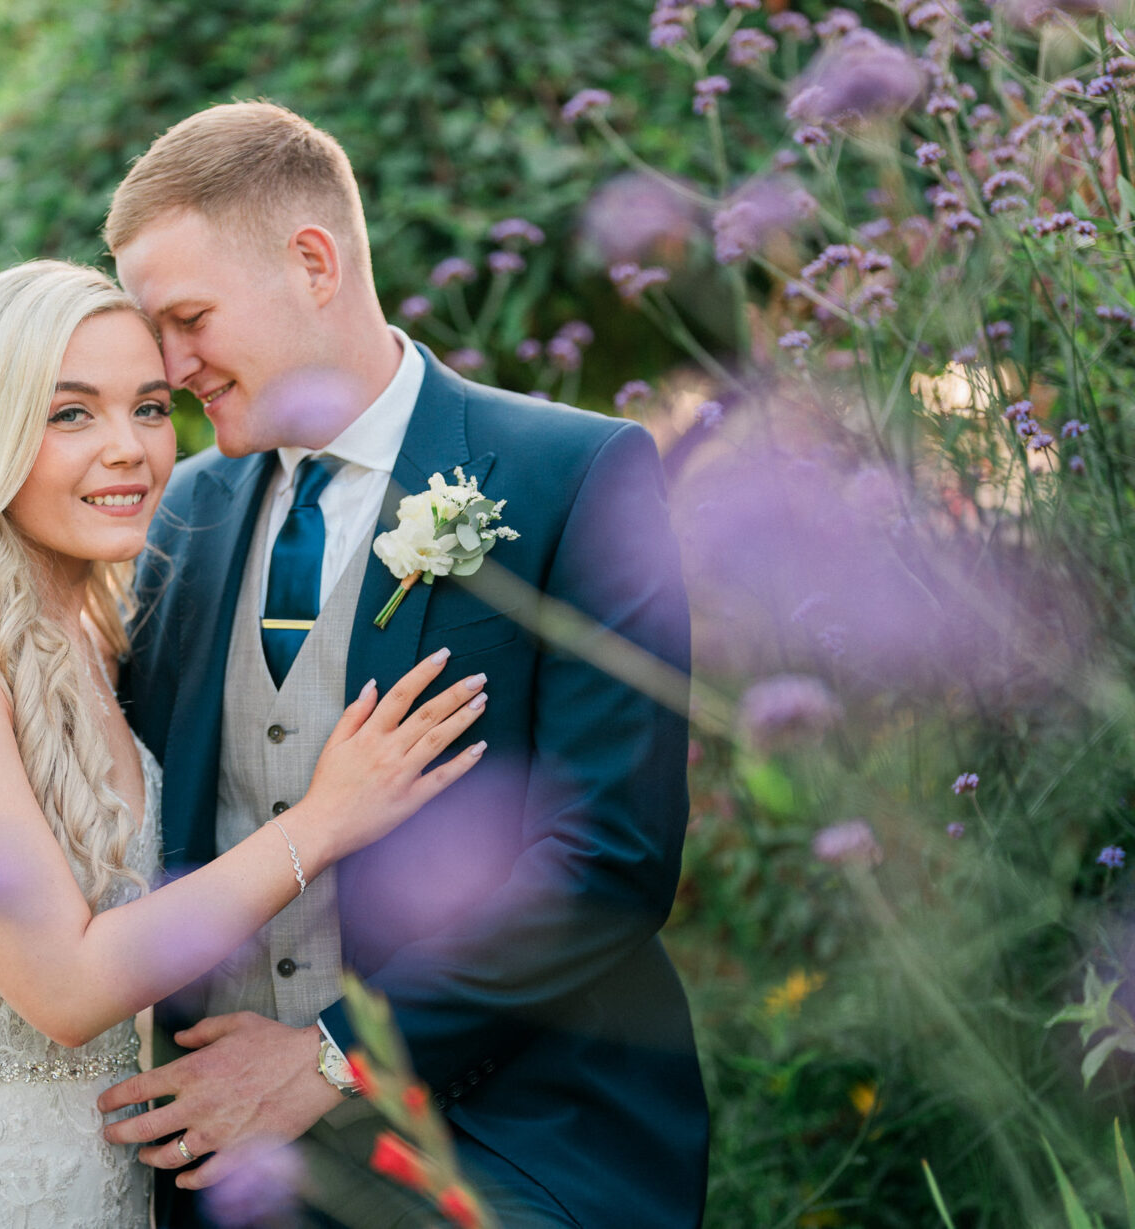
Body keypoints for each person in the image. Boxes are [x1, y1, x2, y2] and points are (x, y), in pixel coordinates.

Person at [90, 103, 710, 1227]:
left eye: (188, 319)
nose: (171, 368)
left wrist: (333, 1060)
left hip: (503, 1144)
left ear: (313, 263)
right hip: (216, 1167)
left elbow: (607, 855)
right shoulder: (182, 512)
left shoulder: (575, 474)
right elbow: (96, 801)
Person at [0, 258, 489, 1228]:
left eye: (149, 407)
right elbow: (67, 985)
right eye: (71, 413)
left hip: (91, 1187)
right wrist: (321, 821)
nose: (130, 448)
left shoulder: (94, 639)